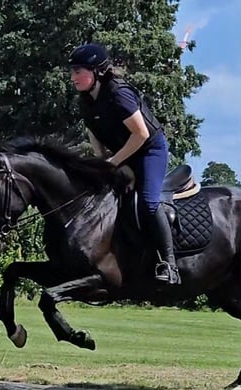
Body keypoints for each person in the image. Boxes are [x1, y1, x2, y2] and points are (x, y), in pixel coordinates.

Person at [67, 42, 181, 285]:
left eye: (78, 71)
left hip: (150, 151)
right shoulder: (85, 100)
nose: (73, 77)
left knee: (148, 203)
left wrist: (113, 162)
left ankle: (169, 264)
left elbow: (141, 135)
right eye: (72, 72)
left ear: (97, 71)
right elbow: (95, 135)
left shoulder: (119, 93)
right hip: (123, 154)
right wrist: (101, 166)